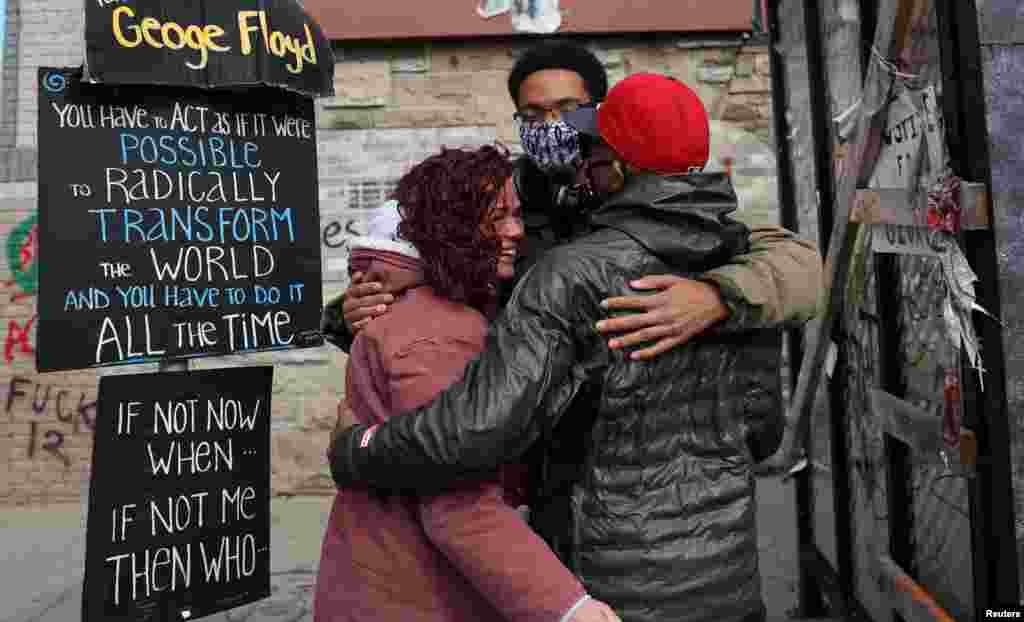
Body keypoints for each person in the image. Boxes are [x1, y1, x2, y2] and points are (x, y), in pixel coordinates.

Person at [329, 74, 812, 622]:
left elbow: (478, 431)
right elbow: (763, 431)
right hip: (726, 581)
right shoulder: (742, 266)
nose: (583, 159)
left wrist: (357, 450)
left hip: (609, 585)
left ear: (620, 167)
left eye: (595, 149)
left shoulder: (571, 273)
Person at [322, 41, 821, 364]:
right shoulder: (491, 201)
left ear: (600, 116)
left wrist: (715, 297)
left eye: (568, 109)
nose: (552, 125)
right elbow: (414, 271)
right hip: (519, 438)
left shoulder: (654, 192)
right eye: (533, 113)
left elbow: (798, 267)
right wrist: (351, 313)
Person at [313, 145, 620, 622]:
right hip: (416, 593)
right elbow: (457, 503)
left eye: (516, 216)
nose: (515, 232)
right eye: (496, 218)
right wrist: (570, 608)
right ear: (448, 227)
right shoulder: (438, 331)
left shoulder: (436, 307)